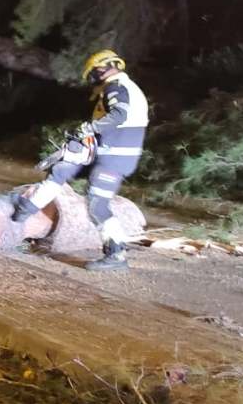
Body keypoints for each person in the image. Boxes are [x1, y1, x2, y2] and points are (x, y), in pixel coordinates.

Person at [11, 49, 149, 271]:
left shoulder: (117, 87)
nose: (92, 80)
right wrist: (83, 144)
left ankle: (117, 254)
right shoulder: (121, 87)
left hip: (115, 157)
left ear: (103, 68)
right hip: (108, 151)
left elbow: (119, 116)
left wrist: (91, 127)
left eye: (93, 74)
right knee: (64, 168)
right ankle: (28, 207)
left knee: (98, 204)